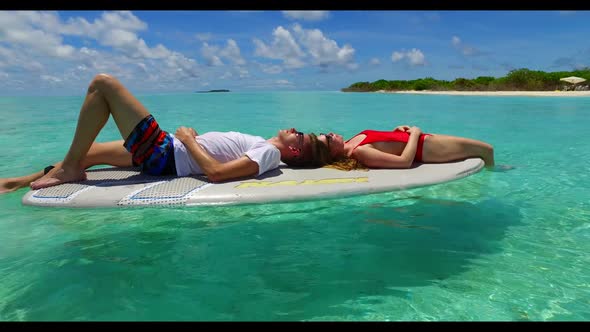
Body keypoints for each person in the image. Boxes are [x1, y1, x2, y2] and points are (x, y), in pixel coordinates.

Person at [0, 73, 329, 194]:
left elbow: (216, 174)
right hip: (170, 150)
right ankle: (17, 182)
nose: (294, 129)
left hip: (165, 152)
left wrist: (187, 140)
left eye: (300, 136)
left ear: (296, 152)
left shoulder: (269, 154)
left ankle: (69, 170)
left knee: (104, 85)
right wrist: (196, 141)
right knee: (88, 151)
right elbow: (216, 158)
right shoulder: (265, 146)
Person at [313, 125, 494, 171]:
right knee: (487, 150)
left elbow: (384, 142)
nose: (330, 133)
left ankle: (492, 169)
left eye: (325, 133)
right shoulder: (359, 152)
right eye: (328, 138)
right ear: (331, 151)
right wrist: (414, 134)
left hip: (424, 140)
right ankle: (492, 174)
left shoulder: (351, 141)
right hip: (427, 148)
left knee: (485, 150)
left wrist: (397, 131)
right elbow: (404, 162)